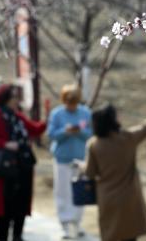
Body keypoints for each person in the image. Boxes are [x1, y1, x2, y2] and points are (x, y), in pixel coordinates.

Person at [82, 97, 146, 241]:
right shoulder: (128, 138)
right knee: (130, 236)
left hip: (107, 200)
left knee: (110, 236)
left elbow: (90, 173)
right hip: (129, 199)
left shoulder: (94, 145)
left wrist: (81, 166)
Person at [0, 84, 47, 241]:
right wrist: (4, 144)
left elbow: (35, 129)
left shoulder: (18, 116)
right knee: (4, 205)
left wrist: (48, 116)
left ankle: (18, 234)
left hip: (22, 165)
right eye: (15, 97)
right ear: (6, 98)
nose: (17, 100)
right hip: (3, 166)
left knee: (21, 202)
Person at [47, 85, 92, 239]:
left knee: (79, 191)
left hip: (80, 158)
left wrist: (80, 131)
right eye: (68, 101)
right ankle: (64, 223)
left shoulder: (85, 113)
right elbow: (51, 134)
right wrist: (64, 131)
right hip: (62, 158)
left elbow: (90, 134)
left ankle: (77, 222)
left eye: (74, 101)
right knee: (62, 191)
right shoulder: (57, 114)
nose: (71, 105)